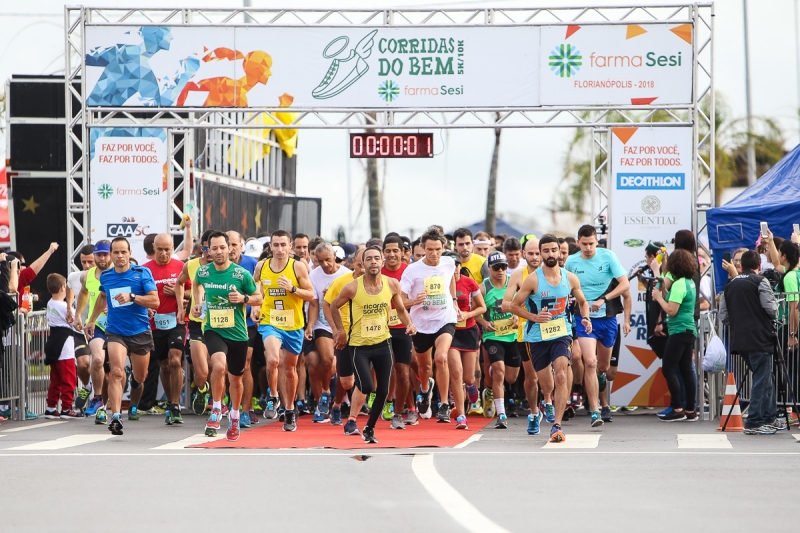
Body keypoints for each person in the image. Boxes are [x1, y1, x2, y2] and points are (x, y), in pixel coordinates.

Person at [330, 246, 417, 444]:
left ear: (382, 261)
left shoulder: (392, 284)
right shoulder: (353, 287)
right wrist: (340, 331)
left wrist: (410, 324)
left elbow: (401, 309)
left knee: (384, 391)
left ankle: (369, 428)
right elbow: (334, 306)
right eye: (368, 259)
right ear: (363, 264)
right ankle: (355, 419)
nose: (373, 262)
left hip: (383, 342)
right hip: (358, 345)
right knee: (367, 385)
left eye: (377, 258)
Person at [510, 234, 593, 443]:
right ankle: (543, 405)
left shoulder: (570, 277)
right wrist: (534, 317)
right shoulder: (533, 279)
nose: (550, 254)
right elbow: (514, 306)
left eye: (553, 250)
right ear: (540, 253)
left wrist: (585, 318)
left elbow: (583, 302)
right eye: (545, 251)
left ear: (559, 251)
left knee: (561, 375)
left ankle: (557, 425)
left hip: (562, 333)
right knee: (546, 384)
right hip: (537, 337)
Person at [192, 231, 262, 441]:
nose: (219, 252)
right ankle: (215, 409)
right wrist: (198, 304)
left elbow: (259, 298)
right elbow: (196, 284)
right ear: (208, 251)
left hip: (239, 334)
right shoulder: (203, 272)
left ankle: (234, 415)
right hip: (213, 329)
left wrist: (243, 298)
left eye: (223, 247)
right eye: (214, 248)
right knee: (219, 366)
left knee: (236, 379)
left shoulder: (241, 274)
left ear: (229, 249)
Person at [86, 237, 159, 436]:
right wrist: (92, 319)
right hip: (116, 330)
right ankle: (116, 417)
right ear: (111, 255)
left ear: (129, 253)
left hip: (139, 331)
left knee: (140, 376)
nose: (119, 256)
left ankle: (133, 376)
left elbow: (155, 301)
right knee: (117, 372)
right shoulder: (107, 276)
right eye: (115, 252)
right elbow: (102, 297)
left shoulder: (142, 273)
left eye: (123, 252)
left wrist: (133, 297)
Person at [564, 225, 631, 427]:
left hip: (607, 317)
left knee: (603, 367)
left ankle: (599, 380)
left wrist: (604, 298)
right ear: (578, 243)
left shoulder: (608, 256)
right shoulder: (571, 262)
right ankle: (595, 411)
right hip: (584, 318)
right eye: (584, 244)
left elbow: (625, 285)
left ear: (596, 241)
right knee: (590, 362)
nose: (588, 248)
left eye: (591, 243)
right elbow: (563, 286)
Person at [400, 226, 463, 427]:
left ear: (443, 247)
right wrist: (414, 301)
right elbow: (399, 301)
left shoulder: (449, 263)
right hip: (421, 324)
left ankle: (444, 404)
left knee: (441, 357)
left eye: (438, 249)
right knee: (424, 367)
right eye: (430, 250)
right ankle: (426, 390)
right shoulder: (413, 270)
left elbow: (451, 279)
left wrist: (453, 300)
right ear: (422, 248)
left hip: (445, 318)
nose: (435, 254)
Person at [255, 230, 314, 432]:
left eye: (283, 245)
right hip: (270, 320)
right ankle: (272, 396)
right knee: (272, 360)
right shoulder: (261, 266)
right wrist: (256, 305)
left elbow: (311, 295)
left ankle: (290, 409)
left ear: (290, 246)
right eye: (275, 245)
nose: (279, 249)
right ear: (270, 246)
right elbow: (257, 289)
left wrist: (293, 289)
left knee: (290, 370)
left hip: (293, 325)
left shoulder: (297, 266)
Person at [718, 250, 779, 435]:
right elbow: (772, 309)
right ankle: (755, 421)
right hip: (760, 337)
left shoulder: (729, 286)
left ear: (741, 265)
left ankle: (769, 417)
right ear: (758, 266)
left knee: (765, 376)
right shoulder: (761, 281)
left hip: (739, 339)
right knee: (762, 378)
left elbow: (724, 316)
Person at [501, 235, 544, 434]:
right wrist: (522, 314)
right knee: (531, 377)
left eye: (538, 253)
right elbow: (505, 303)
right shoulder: (518, 275)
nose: (535, 257)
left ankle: (550, 402)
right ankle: (534, 413)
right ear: (524, 254)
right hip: (525, 332)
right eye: (531, 254)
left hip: (552, 330)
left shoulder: (557, 274)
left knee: (555, 373)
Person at [143, 234, 186, 425]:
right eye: (159, 249)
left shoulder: (180, 267)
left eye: (167, 249)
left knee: (175, 360)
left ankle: (175, 405)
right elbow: (139, 296)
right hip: (155, 323)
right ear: (154, 248)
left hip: (177, 321)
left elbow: (192, 294)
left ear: (173, 248)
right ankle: (170, 402)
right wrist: (146, 307)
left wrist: (179, 295)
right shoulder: (144, 270)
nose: (163, 253)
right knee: (165, 366)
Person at [651, 249, 699, 422]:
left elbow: (671, 310)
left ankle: (678, 408)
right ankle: (690, 410)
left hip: (679, 330)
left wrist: (658, 297)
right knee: (686, 369)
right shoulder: (688, 282)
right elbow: (667, 290)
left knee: (669, 368)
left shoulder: (679, 284)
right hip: (688, 330)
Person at [306, 242, 351, 423]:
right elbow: (315, 303)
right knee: (327, 361)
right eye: (320, 261)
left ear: (335, 256)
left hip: (345, 325)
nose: (325, 264)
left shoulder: (347, 275)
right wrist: (310, 325)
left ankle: (337, 405)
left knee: (341, 370)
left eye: (328, 260)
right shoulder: (314, 275)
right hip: (323, 324)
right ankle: (325, 393)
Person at [322, 248, 365, 429]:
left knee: (365, 379)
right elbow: (327, 303)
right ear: (353, 263)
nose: (363, 268)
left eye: (368, 263)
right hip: (345, 336)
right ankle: (337, 405)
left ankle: (354, 418)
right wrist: (335, 329)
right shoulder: (342, 282)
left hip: (369, 337)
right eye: (360, 264)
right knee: (347, 381)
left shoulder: (382, 283)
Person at [476, 252, 519, 429]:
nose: (500, 271)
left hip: (513, 335)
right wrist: (484, 322)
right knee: (499, 371)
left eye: (503, 267)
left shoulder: (514, 283)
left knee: (511, 377)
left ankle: (493, 383)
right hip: (492, 335)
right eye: (496, 268)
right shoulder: (483, 288)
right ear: (489, 269)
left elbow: (524, 304)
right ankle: (501, 414)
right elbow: (475, 311)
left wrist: (518, 317)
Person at [175, 230, 214, 416]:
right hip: (198, 321)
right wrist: (181, 308)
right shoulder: (191, 265)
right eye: (207, 247)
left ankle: (218, 403)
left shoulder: (229, 269)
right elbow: (179, 283)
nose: (211, 251)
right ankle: (201, 390)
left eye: (216, 247)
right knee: (202, 372)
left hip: (221, 323)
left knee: (218, 366)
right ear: (202, 248)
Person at [380, 234, 417, 428]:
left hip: (404, 328)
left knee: (403, 372)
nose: (392, 254)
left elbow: (416, 300)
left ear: (403, 252)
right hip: (381, 329)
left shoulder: (410, 271)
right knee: (387, 372)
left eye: (396, 250)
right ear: (383, 253)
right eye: (388, 251)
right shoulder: (377, 272)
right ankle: (404, 406)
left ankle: (399, 413)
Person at [74, 240, 112, 423]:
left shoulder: (120, 273)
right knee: (97, 360)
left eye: (106, 254)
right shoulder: (87, 276)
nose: (102, 258)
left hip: (119, 326)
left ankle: (113, 404)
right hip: (95, 325)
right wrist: (78, 314)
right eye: (99, 255)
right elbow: (83, 293)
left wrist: (114, 306)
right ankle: (98, 399)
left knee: (116, 374)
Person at [448, 251, 486, 425]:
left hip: (469, 330)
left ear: (459, 267)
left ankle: (471, 388)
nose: (453, 269)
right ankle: (461, 415)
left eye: (455, 266)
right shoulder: (439, 285)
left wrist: (467, 314)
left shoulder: (468, 282)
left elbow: (482, 308)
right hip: (450, 332)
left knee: (468, 377)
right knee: (456, 372)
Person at [227, 230, 260, 427]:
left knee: (245, 366)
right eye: (227, 244)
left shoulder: (251, 264)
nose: (230, 249)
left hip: (246, 323)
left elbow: (258, 290)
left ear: (241, 246)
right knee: (224, 367)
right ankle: (224, 405)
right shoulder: (215, 266)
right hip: (222, 324)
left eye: (234, 245)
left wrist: (255, 307)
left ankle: (245, 410)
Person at [43, 274, 81, 419]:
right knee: (69, 378)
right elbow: (74, 323)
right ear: (62, 288)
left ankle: (51, 407)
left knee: (56, 378)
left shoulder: (50, 303)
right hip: (65, 345)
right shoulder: (65, 307)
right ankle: (66, 408)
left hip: (53, 341)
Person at [65, 244, 95, 412]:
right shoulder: (75, 276)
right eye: (83, 262)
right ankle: (87, 386)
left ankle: (100, 402)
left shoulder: (104, 277)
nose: (87, 265)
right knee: (83, 365)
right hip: (80, 328)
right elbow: (69, 286)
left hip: (100, 328)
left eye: (90, 261)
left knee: (99, 365)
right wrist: (69, 307)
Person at [9, 242, 60, 308]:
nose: (25, 267)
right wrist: (50, 251)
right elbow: (32, 270)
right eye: (22, 264)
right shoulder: (16, 279)